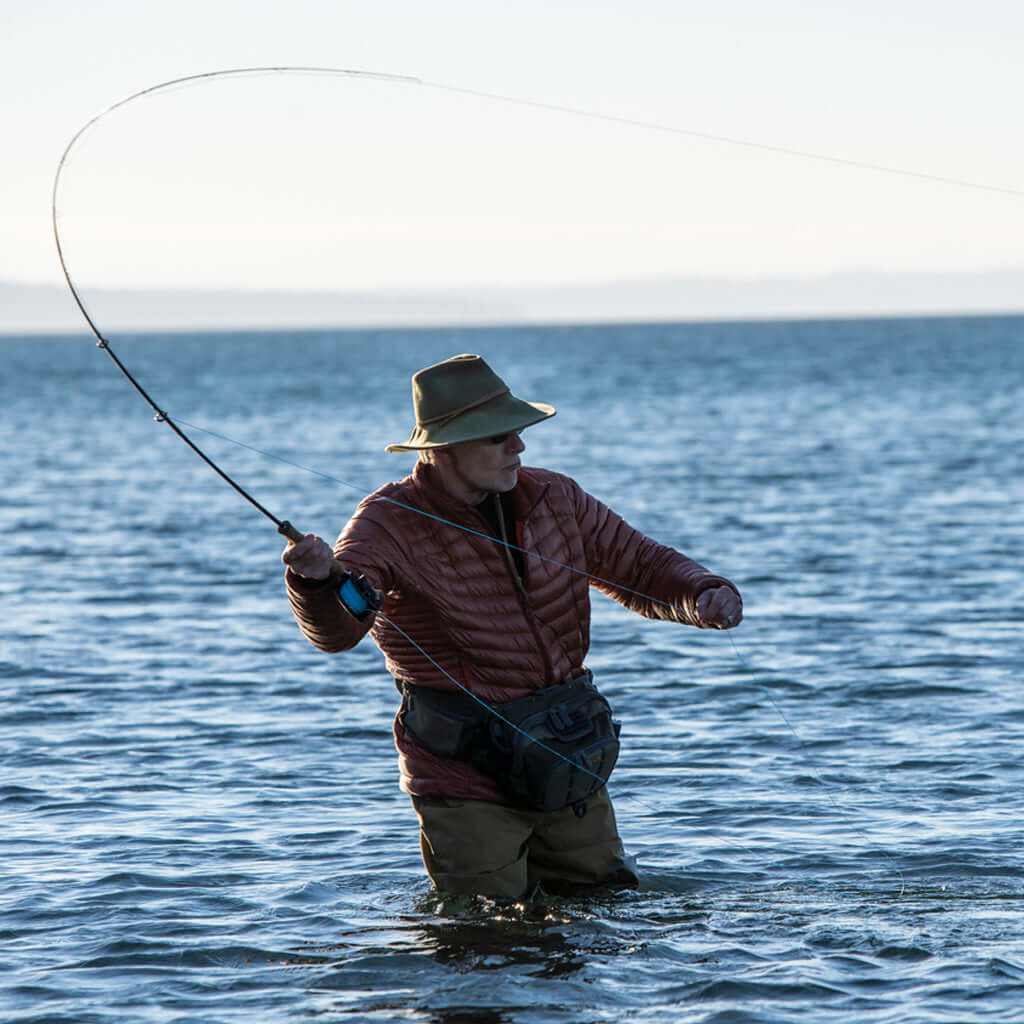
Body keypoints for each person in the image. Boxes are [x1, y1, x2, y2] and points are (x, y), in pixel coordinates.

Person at [283, 353, 742, 899]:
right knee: (484, 941)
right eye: (499, 437)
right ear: (446, 448)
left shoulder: (556, 497)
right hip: (463, 776)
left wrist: (704, 594)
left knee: (603, 913)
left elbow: (639, 565)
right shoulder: (383, 525)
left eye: (517, 433)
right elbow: (337, 634)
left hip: (567, 752)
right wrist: (313, 583)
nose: (519, 448)